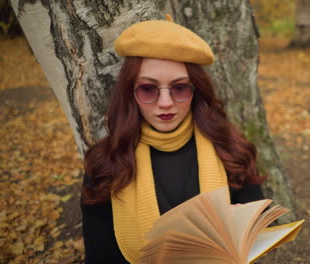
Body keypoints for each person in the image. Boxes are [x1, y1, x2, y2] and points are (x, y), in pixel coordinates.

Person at [80, 15, 265, 263]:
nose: (165, 103)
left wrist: (245, 226)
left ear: (196, 90)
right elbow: (99, 257)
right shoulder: (106, 164)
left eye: (179, 88)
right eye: (148, 89)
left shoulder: (231, 150)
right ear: (130, 92)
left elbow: (259, 235)